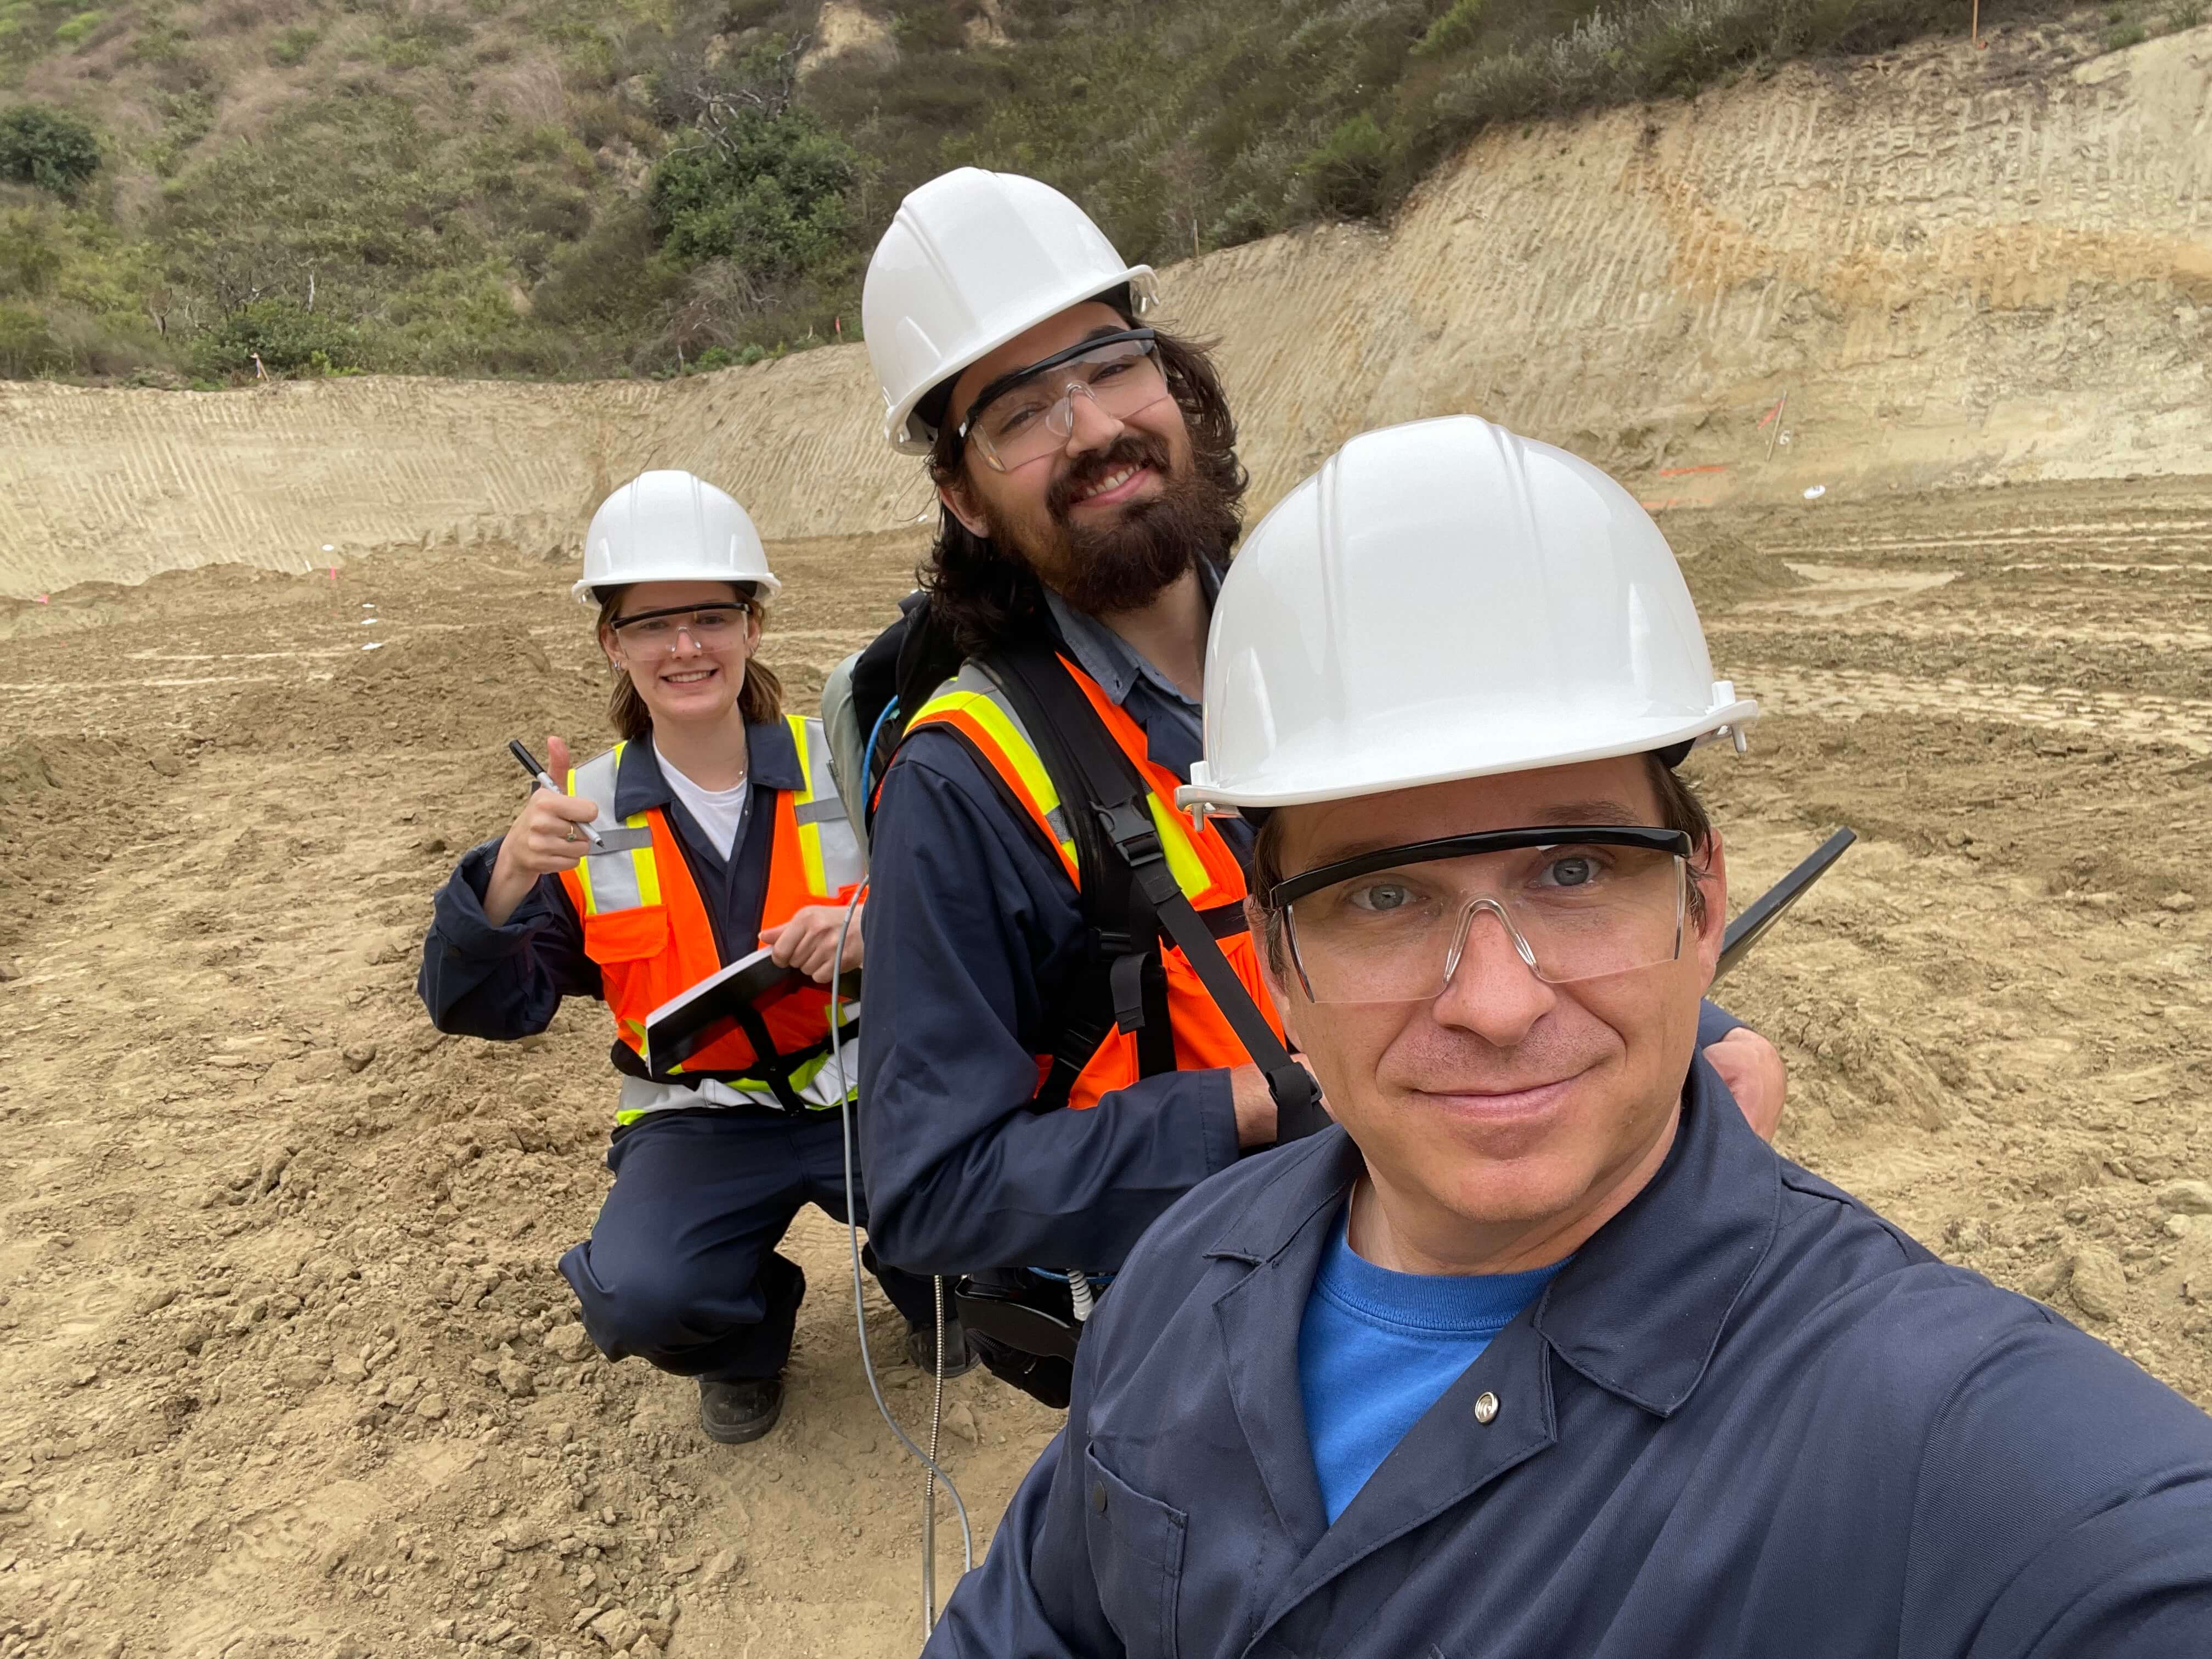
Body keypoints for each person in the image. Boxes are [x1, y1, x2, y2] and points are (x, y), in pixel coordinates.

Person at [921, 416, 2212, 1657]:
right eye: (1382, 896)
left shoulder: (1930, 1433)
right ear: (1276, 964)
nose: (1496, 1001)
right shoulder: (1178, 1282)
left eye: (1577, 871)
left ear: (1702, 902)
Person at [853, 168, 1787, 1403]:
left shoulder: (1338, 620)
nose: (1090, 428)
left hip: (1467, 1215)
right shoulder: (966, 781)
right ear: (963, 493)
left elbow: (1517, 860)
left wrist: (1705, 1040)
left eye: (1108, 364)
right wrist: (1254, 1105)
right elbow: (933, 1194)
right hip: (1212, 1320)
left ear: (1168, 378)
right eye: (1020, 412)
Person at [418, 470, 960, 1448]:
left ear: (751, 627)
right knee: (643, 1296)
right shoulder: (581, 817)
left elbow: (971, 913)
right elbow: (481, 1007)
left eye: (710, 616)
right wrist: (502, 879)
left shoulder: (847, 763)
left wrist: (878, 933)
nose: (684, 647)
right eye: (652, 624)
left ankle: (933, 1282)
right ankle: (749, 1337)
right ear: (611, 643)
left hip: (870, 1085)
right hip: (701, 1121)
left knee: (994, 1193)